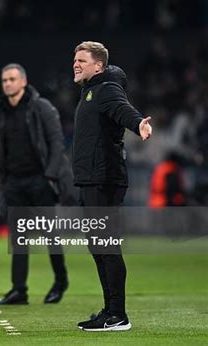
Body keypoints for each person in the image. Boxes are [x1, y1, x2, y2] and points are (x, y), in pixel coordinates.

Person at [72, 41, 152, 331]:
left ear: (99, 66)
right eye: (74, 59)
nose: (76, 64)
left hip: (104, 179)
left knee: (107, 246)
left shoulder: (106, 89)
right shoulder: (91, 91)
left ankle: (119, 315)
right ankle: (110, 310)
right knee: (98, 247)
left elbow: (124, 110)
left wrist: (138, 124)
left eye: (82, 60)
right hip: (93, 178)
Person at [0, 63, 76, 305]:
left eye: (12, 79)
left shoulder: (41, 107)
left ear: (23, 81)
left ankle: (60, 281)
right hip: (13, 182)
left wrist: (49, 176)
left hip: (40, 180)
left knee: (51, 235)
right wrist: (2, 181)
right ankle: (19, 290)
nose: (7, 83)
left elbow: (57, 144)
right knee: (18, 238)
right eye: (4, 80)